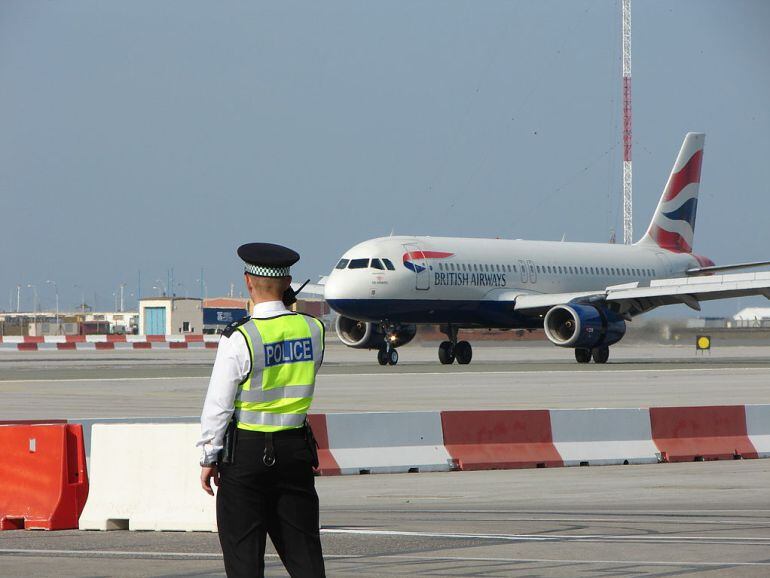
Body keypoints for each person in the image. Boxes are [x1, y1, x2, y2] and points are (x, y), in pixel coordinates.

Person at [198, 242, 326, 578]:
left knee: (244, 558)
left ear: (248, 281)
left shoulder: (240, 337)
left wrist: (209, 457)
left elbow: (218, 405)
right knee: (305, 555)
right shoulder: (314, 330)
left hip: (247, 455)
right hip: (295, 451)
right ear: (287, 283)